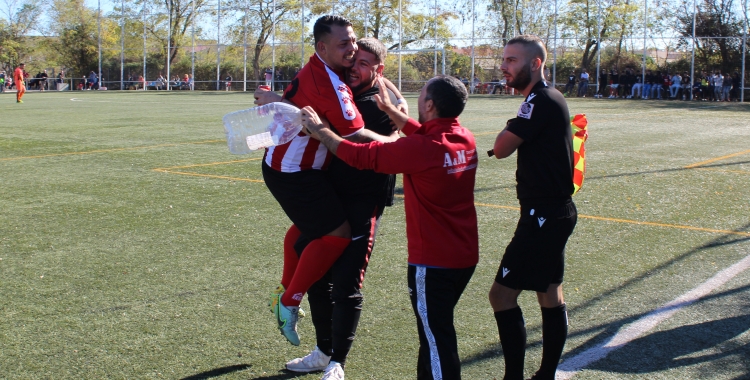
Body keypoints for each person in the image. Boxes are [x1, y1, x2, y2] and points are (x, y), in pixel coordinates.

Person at [301, 74, 478, 380]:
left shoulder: (421, 149)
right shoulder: (464, 137)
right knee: (433, 334)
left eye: (420, 95)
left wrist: (321, 131)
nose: (415, 99)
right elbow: (423, 134)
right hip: (464, 257)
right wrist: (391, 110)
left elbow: (358, 156)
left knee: (438, 341)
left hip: (433, 264)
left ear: (430, 104)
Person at [267, 37, 402, 380]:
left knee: (346, 284)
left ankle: (337, 361)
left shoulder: (376, 104)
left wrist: (394, 141)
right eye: (353, 60)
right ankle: (323, 349)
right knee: (314, 269)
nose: (355, 68)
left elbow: (358, 140)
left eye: (364, 63)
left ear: (378, 69)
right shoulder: (342, 88)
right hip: (331, 194)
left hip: (362, 200)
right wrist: (280, 102)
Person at [488, 34, 578, 380]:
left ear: (535, 64)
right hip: (554, 213)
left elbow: (503, 146)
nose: (504, 66)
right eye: (504, 59)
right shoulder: (545, 99)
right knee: (549, 292)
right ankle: (546, 375)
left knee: (501, 295)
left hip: (543, 215)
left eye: (511, 60)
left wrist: (508, 131)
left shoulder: (539, 100)